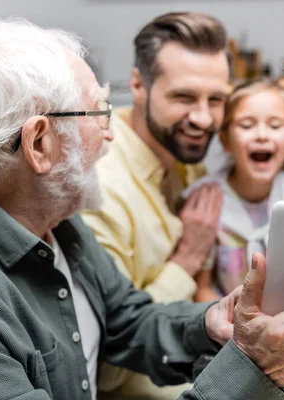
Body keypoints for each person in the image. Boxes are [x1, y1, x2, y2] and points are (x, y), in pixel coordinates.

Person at [0, 18, 284, 400]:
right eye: (99, 111)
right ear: (39, 145)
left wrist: (213, 322)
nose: (111, 132)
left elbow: (125, 322)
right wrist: (253, 367)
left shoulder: (57, 221)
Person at [80, 12, 228, 397]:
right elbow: (106, 368)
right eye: (183, 97)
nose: (203, 118)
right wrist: (187, 260)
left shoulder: (185, 160)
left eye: (216, 99)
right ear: (137, 85)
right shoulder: (101, 189)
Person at [184, 78, 284, 302]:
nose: (262, 135)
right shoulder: (206, 202)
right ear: (225, 140)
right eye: (247, 125)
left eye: (275, 125)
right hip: (227, 324)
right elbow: (202, 290)